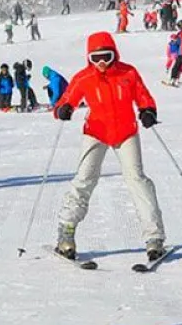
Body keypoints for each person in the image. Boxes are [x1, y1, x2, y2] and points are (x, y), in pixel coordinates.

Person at [52, 31, 166, 262]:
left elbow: (143, 95)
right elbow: (67, 99)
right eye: (96, 58)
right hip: (96, 132)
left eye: (106, 56)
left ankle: (154, 237)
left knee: (137, 179)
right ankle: (66, 232)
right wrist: (63, 109)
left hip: (126, 132)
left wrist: (147, 110)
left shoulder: (128, 72)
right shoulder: (84, 77)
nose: (102, 63)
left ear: (115, 54)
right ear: (89, 58)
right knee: (85, 179)